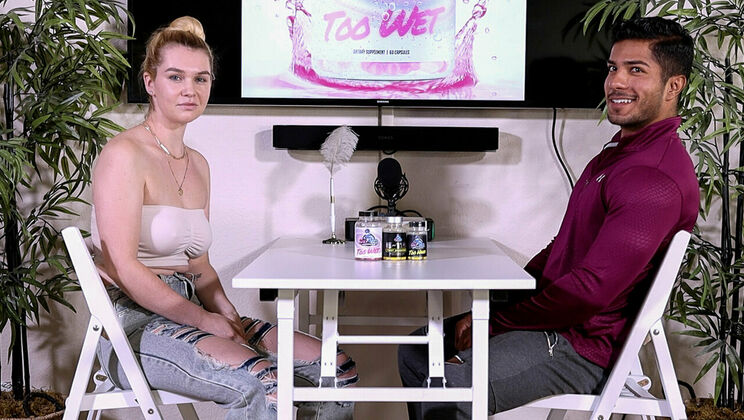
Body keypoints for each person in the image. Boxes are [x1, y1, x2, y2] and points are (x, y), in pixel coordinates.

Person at [398, 16, 699, 419]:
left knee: (448, 384)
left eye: (636, 70)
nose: (616, 82)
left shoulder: (652, 178)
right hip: (559, 323)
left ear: (674, 86)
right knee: (419, 349)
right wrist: (497, 306)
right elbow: (563, 248)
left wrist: (497, 323)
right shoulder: (617, 156)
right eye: (613, 68)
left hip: (581, 346)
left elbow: (588, 292)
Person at [90, 16, 357, 420]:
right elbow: (123, 267)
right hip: (133, 326)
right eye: (175, 77)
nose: (190, 89)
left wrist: (229, 316)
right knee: (262, 381)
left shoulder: (198, 164)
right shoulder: (123, 155)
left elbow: (199, 267)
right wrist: (203, 319)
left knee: (336, 370)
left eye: (201, 79)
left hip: (190, 308)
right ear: (150, 83)